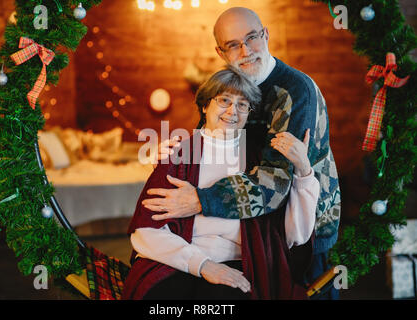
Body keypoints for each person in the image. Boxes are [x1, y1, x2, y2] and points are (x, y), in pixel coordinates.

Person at [143, 7, 341, 299]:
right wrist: (177, 154)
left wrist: (201, 199)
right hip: (250, 231)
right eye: (233, 44)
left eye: (252, 38)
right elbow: (208, 137)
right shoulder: (229, 85)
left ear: (266, 35)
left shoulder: (295, 92)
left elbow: (275, 185)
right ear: (221, 52)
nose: (246, 50)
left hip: (300, 229)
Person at [122, 67, 319, 300]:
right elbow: (145, 232)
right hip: (176, 260)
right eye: (224, 100)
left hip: (239, 264)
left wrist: (304, 172)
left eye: (243, 104)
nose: (232, 111)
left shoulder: (261, 163)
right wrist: (204, 265)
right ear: (205, 106)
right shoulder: (178, 154)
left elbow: (295, 235)